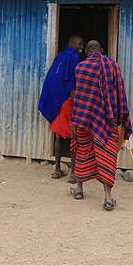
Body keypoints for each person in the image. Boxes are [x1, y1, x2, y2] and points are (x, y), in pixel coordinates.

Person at [69, 40, 132, 211]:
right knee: (108, 158)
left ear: (87, 52)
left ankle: (79, 190)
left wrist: (74, 120)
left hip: (83, 120)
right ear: (102, 50)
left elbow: (79, 97)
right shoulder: (113, 66)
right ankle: (108, 198)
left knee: (82, 152)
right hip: (106, 121)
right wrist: (122, 119)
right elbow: (120, 94)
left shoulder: (80, 68)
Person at [38, 35, 84, 180]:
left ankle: (57, 169)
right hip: (66, 101)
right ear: (72, 44)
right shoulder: (74, 57)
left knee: (58, 136)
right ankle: (73, 173)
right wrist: (75, 100)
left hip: (55, 101)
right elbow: (72, 80)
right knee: (73, 136)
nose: (81, 47)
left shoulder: (60, 57)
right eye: (79, 44)